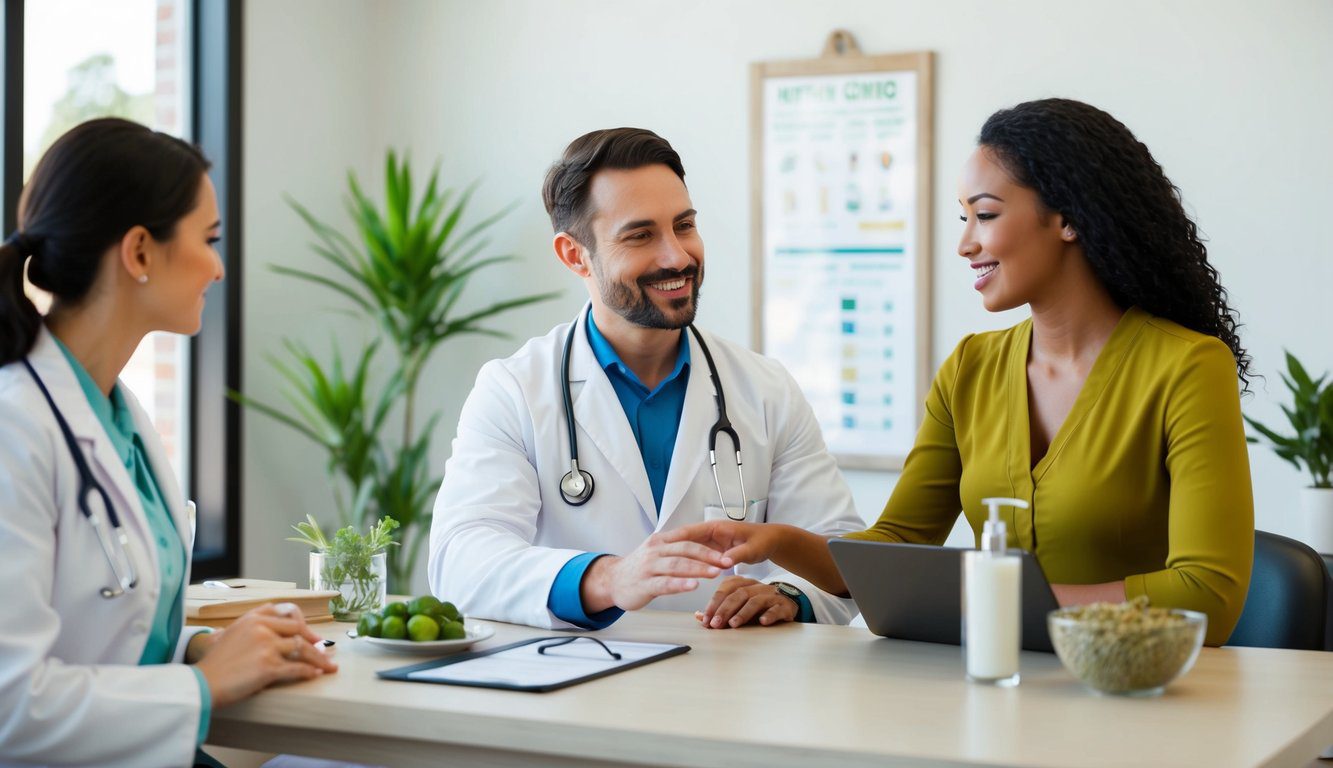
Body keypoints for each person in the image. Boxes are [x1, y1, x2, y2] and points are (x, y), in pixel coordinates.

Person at [674, 98, 1254, 647]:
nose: (964, 244)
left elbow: (1208, 596)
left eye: (984, 216)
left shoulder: (1187, 367)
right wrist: (777, 544)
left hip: (1135, 695)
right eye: (963, 218)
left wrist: (993, 602)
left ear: (1069, 220)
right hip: (994, 680)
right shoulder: (971, 368)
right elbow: (897, 546)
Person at [428, 127, 863, 630]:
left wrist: (788, 595)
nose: (677, 256)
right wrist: (610, 578)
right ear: (575, 255)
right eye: (641, 235)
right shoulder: (515, 391)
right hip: (573, 692)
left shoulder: (765, 390)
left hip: (735, 693)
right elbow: (460, 561)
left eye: (684, 226)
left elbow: (845, 560)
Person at [0, 118, 337, 767]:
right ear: (140, 253)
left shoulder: (116, 418)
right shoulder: (16, 428)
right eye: (208, 238)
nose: (218, 266)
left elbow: (105, 633)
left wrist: (199, 647)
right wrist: (202, 685)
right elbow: (12, 707)